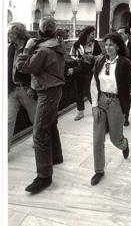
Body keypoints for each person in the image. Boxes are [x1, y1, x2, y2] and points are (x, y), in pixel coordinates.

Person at [16, 17, 65, 194]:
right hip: (55, 90)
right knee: (50, 125)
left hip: (47, 93)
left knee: (39, 133)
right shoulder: (56, 45)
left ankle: (44, 176)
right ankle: (56, 156)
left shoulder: (43, 50)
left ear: (40, 31)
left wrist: (28, 47)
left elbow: (23, 67)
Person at [90, 32, 131, 185]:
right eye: (105, 45)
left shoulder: (125, 63)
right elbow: (93, 84)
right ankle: (99, 170)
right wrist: (94, 105)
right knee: (97, 139)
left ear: (118, 46)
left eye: (111, 45)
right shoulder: (99, 61)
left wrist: (124, 95)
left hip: (116, 103)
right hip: (101, 102)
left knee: (114, 139)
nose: (107, 47)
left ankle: (124, 144)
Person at [8, 22, 37, 151]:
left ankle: (39, 142)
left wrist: (32, 87)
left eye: (11, 33)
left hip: (26, 89)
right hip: (13, 89)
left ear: (18, 34)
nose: (8, 35)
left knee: (35, 118)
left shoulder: (30, 46)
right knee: (8, 119)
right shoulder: (11, 48)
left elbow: (34, 69)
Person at [68, 26, 102, 121]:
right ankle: (80, 111)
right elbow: (72, 55)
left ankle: (96, 109)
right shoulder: (77, 44)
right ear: (87, 34)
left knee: (90, 90)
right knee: (78, 90)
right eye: (92, 34)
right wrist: (77, 58)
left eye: (94, 34)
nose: (94, 36)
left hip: (90, 70)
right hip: (79, 70)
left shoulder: (95, 44)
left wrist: (93, 57)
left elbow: (100, 56)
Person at [117, 26, 131, 126]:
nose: (119, 35)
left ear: (127, 34)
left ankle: (125, 117)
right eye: (118, 33)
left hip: (128, 77)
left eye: (121, 33)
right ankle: (116, 117)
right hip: (116, 76)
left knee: (127, 98)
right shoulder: (116, 45)